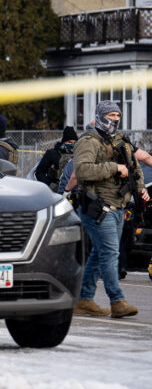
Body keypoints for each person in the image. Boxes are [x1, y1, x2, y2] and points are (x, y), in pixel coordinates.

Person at [73, 100, 147, 319]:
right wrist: (114, 167)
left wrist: (141, 190)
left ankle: (85, 299)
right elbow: (83, 171)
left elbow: (135, 169)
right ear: (100, 116)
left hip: (117, 207)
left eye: (117, 115)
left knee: (100, 253)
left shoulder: (121, 142)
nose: (115, 119)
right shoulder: (88, 141)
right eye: (111, 115)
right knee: (110, 253)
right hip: (97, 207)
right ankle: (117, 301)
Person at [35, 126, 78, 191]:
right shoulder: (52, 153)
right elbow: (39, 173)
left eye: (74, 143)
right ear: (64, 142)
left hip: (73, 189)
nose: (72, 144)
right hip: (55, 190)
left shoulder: (78, 154)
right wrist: (50, 185)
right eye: (69, 142)